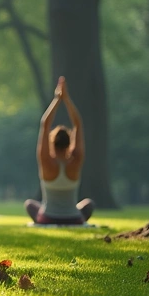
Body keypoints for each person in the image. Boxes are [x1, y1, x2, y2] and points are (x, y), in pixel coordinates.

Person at [26, 77, 93, 224]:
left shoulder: (46, 162)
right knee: (88, 204)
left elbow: (45, 124)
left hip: (47, 218)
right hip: (74, 219)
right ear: (70, 142)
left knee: (30, 205)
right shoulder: (76, 161)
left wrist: (57, 99)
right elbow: (78, 124)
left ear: (52, 143)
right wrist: (66, 99)